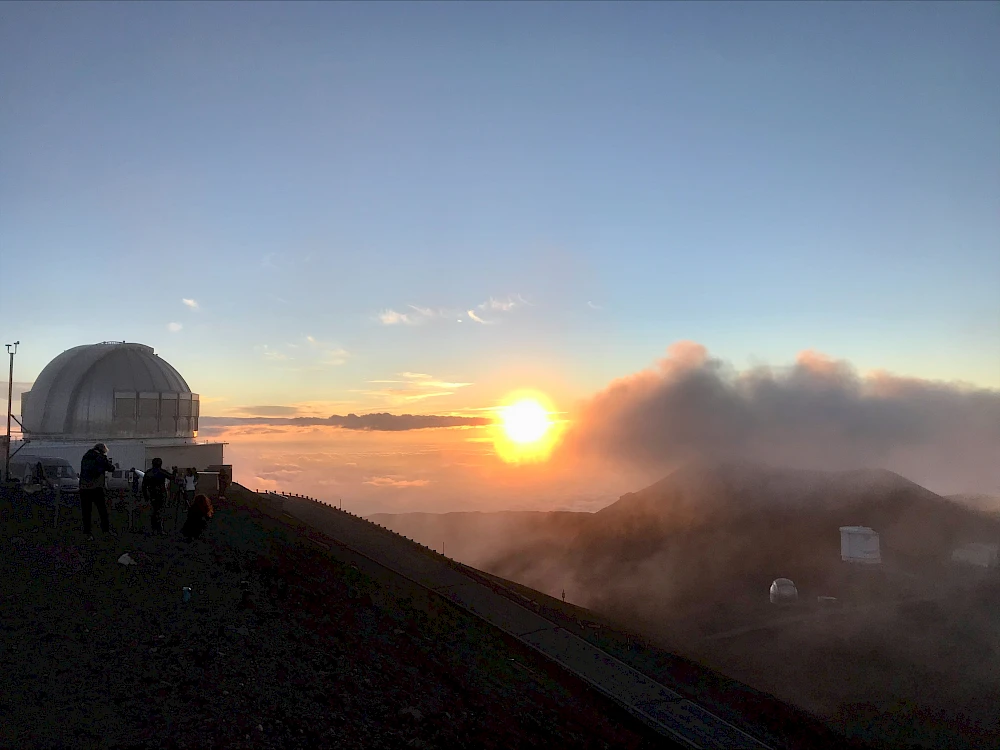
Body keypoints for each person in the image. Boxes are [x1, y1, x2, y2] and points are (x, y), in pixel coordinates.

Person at [79, 443, 116, 541]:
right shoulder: (100, 457)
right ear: (103, 450)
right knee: (102, 510)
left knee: (86, 512)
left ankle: (87, 533)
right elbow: (111, 468)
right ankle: (105, 530)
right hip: (96, 487)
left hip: (84, 488)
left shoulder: (86, 456)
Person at [142, 458, 176, 535]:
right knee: (160, 511)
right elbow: (172, 477)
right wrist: (174, 471)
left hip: (152, 494)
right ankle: (159, 529)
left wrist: (146, 496)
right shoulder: (162, 472)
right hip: (161, 494)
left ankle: (153, 528)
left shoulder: (148, 473)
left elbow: (144, 486)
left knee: (154, 511)